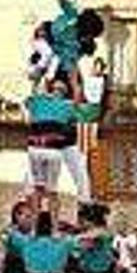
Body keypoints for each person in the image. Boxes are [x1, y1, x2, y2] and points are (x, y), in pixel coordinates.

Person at [25, 79, 91, 215]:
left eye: (59, 89)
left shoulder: (54, 103)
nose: (56, 91)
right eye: (55, 89)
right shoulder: (51, 102)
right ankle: (39, 221)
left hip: (60, 144)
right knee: (43, 188)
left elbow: (32, 96)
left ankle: (82, 208)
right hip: (49, 146)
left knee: (77, 177)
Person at [49, 0, 105, 103]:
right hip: (55, 43)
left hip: (54, 39)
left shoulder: (74, 41)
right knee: (72, 81)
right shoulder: (75, 42)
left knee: (70, 81)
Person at [77, 57, 106, 163]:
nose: (96, 70)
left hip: (94, 106)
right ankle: (81, 154)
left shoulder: (102, 80)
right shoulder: (88, 78)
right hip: (86, 106)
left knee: (93, 131)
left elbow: (99, 95)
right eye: (96, 67)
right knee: (82, 129)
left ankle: (92, 153)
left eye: (99, 68)